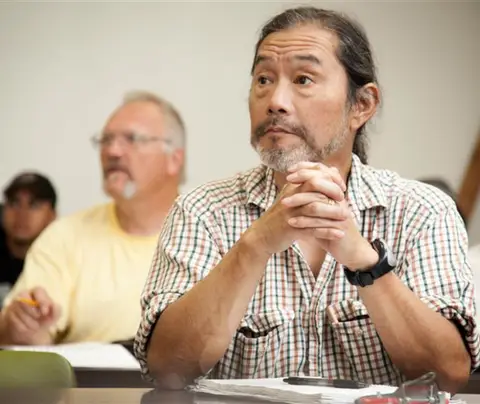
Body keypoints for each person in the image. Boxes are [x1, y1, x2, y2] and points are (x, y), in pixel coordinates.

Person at [134, 7, 478, 393]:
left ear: (362, 105)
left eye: (303, 79)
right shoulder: (202, 210)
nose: (275, 101)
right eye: (263, 79)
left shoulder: (422, 211)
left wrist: (364, 261)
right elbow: (166, 368)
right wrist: (255, 245)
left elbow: (449, 375)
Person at [0, 90, 186, 345]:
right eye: (106, 140)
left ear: (174, 159)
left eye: (132, 139)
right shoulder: (63, 237)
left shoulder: (215, 233)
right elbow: (22, 342)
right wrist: (21, 325)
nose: (112, 151)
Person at [0, 173, 56, 296]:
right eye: (14, 203)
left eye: (34, 205)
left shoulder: (61, 262)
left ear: (52, 216)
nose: (22, 214)